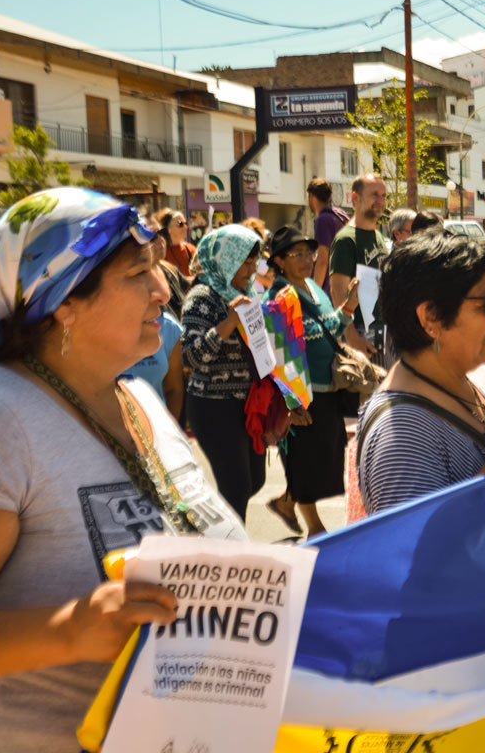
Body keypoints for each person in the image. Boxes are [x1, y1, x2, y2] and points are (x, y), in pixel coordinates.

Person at [0, 188, 245, 751]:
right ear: (64, 300)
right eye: (138, 273)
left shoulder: (142, 401)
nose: (164, 291)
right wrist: (71, 630)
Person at [354, 231, 485, 516]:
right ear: (431, 317)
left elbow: (468, 445)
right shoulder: (401, 436)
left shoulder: (443, 377)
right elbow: (416, 552)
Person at [256, 225, 360, 538]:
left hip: (328, 388)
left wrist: (350, 306)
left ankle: (286, 502)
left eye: (308, 252)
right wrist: (292, 403)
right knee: (305, 460)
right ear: (279, 261)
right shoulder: (277, 299)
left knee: (326, 455)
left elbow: (332, 328)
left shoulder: (315, 289)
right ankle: (314, 526)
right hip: (303, 393)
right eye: (296, 253)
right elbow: (278, 357)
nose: (306, 259)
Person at [180, 224, 266, 519]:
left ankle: (211, 529)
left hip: (247, 405)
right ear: (226, 260)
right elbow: (192, 356)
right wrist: (229, 322)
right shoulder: (202, 297)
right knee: (237, 487)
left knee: (256, 480)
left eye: (254, 261)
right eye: (245, 261)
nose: (251, 268)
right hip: (213, 406)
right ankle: (231, 557)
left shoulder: (248, 293)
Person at [329, 173, 390, 356]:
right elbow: (338, 293)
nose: (380, 200)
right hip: (361, 337)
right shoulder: (345, 240)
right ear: (355, 197)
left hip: (382, 334)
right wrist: (353, 339)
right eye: (374, 195)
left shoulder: (378, 236)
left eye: (383, 195)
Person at [147, 209, 191, 318]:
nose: (161, 240)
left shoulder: (167, 268)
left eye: (162, 234)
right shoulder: (135, 280)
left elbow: (189, 286)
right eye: (153, 235)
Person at [309, 177, 350, 292]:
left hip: (330, 290)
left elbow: (323, 259)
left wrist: (316, 293)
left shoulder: (323, 220)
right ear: (329, 197)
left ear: (311, 197)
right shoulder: (341, 215)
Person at [160, 208, 196, 276]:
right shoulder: (160, 252)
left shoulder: (191, 250)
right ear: (168, 229)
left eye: (186, 223)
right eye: (180, 224)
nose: (185, 227)